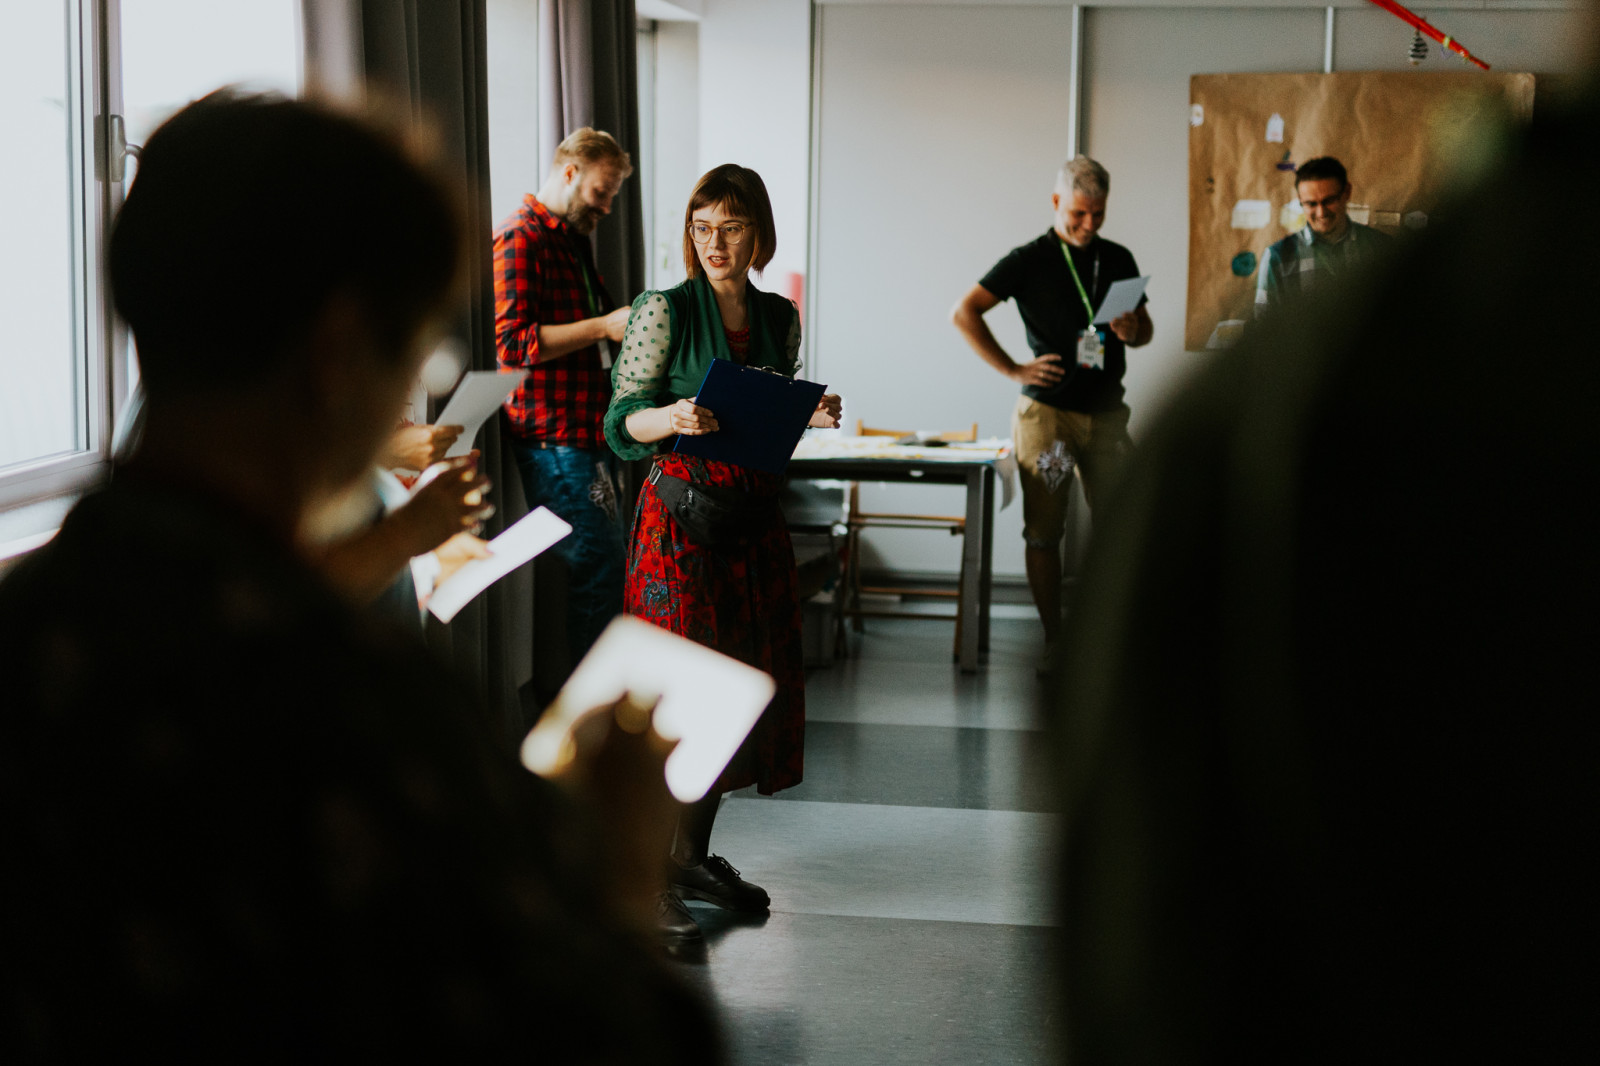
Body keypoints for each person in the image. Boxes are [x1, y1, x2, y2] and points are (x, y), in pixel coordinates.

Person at [0, 91, 721, 1060]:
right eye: (415, 345)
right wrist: (621, 868)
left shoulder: (28, 627)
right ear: (337, 352)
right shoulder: (356, 705)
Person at [1053, 100, 1596, 1060]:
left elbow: (1139, 919)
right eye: (1306, 206)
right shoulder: (1285, 369)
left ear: (1349, 201)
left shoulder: (1374, 328)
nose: (1317, 217)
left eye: (1328, 205)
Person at [604, 164, 841, 947]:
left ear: (758, 235)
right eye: (702, 227)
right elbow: (620, 421)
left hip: (751, 523)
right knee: (676, 700)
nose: (715, 243)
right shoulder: (662, 309)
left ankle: (689, 857)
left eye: (731, 228)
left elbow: (763, 419)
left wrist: (809, 411)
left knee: (734, 691)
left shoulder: (779, 316)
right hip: (679, 525)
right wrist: (671, 416)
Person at [951, 155, 1153, 662]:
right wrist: (1013, 369)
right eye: (1078, 213)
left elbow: (1144, 330)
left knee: (1122, 527)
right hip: (1050, 422)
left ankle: (1112, 640)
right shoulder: (1028, 260)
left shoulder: (1118, 258)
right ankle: (1056, 642)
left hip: (1107, 418)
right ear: (1057, 202)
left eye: (1099, 214)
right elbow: (965, 312)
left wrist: (1134, 330)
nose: (1089, 224)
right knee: (1045, 529)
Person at [493, 127, 636, 666]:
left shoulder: (569, 239)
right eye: (601, 191)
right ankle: (590, 704)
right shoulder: (519, 237)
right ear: (570, 172)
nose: (606, 207)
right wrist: (603, 326)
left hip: (584, 429)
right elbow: (512, 344)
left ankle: (597, 695)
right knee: (599, 565)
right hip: (553, 434)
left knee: (606, 564)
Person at [1254, 155, 1394, 319]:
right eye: (1311, 204)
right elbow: (1264, 324)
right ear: (1300, 200)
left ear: (1347, 192)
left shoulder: (1382, 247)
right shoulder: (1278, 257)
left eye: (1329, 201)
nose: (1321, 213)